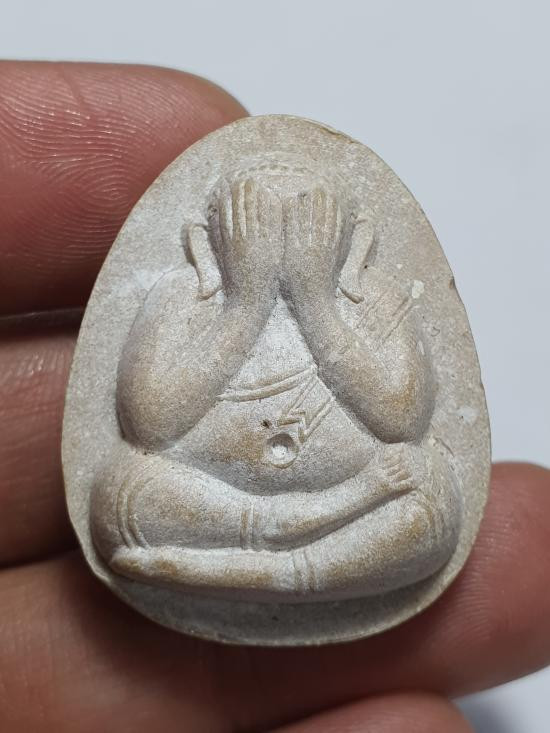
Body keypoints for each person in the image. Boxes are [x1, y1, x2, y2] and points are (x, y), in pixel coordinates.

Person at [0, 60, 548, 733]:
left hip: (362, 495)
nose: (284, 244)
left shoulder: (372, 298)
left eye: (307, 227)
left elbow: (402, 418)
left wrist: (316, 301)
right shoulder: (181, 296)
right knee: (121, 491)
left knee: (434, 492)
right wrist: (246, 302)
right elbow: (149, 424)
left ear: (353, 244)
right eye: (260, 226)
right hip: (219, 500)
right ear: (208, 241)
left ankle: (284, 570)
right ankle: (280, 544)